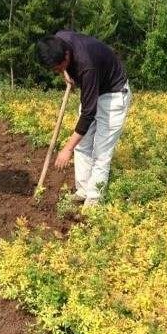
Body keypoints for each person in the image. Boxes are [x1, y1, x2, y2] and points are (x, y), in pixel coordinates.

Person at [37, 30, 131, 206]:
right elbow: (87, 111)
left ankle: (94, 200)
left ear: (67, 55)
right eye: (55, 70)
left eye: (59, 67)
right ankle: (84, 190)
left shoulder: (86, 66)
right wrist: (66, 72)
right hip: (95, 88)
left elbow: (88, 114)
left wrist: (67, 149)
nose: (57, 71)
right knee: (82, 144)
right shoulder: (59, 39)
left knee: (101, 151)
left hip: (114, 95)